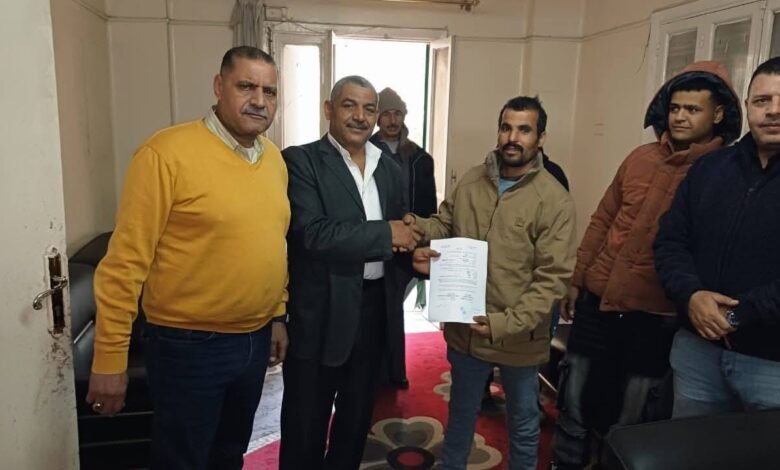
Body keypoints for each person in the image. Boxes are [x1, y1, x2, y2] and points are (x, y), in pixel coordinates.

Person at [86, 46, 290, 470]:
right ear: (219, 87)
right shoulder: (165, 153)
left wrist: (276, 315)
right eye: (246, 86)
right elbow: (125, 264)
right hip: (188, 346)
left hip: (254, 341)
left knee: (229, 454)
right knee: (182, 460)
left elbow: (273, 242)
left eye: (269, 91)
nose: (259, 100)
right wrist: (109, 357)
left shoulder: (273, 159)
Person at [551, 61, 741, 470]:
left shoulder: (722, 171)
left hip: (656, 315)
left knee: (634, 411)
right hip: (598, 303)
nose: (680, 116)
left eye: (693, 109)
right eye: (675, 107)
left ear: (718, 114)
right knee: (575, 394)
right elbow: (603, 219)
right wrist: (577, 279)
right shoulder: (640, 157)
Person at [412, 96, 577, 470]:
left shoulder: (554, 200)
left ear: (541, 138)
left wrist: (505, 323)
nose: (512, 138)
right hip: (466, 329)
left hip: (519, 337)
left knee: (522, 422)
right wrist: (415, 228)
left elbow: (552, 280)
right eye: (506, 128)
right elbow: (445, 225)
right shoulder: (473, 181)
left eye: (524, 130)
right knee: (461, 414)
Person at [279, 75, 422, 470]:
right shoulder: (301, 161)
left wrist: (415, 257)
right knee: (305, 424)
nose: (360, 116)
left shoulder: (388, 168)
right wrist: (387, 234)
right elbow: (314, 234)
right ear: (329, 109)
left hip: (374, 310)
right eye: (349, 105)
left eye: (369, 108)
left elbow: (398, 236)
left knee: (356, 421)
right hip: (321, 314)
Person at [654, 56, 780, 419]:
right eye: (762, 100)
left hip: (771, 365)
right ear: (748, 106)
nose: (773, 110)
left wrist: (741, 315)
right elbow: (670, 241)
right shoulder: (711, 168)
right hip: (698, 353)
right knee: (689, 446)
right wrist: (691, 295)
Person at [370, 87, 437, 389]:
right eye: (386, 114)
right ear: (378, 118)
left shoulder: (420, 158)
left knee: (393, 307)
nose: (392, 120)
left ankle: (393, 371)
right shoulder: (365, 151)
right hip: (377, 241)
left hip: (410, 243)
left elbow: (429, 207)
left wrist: (424, 241)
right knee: (379, 309)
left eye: (397, 113)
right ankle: (380, 371)